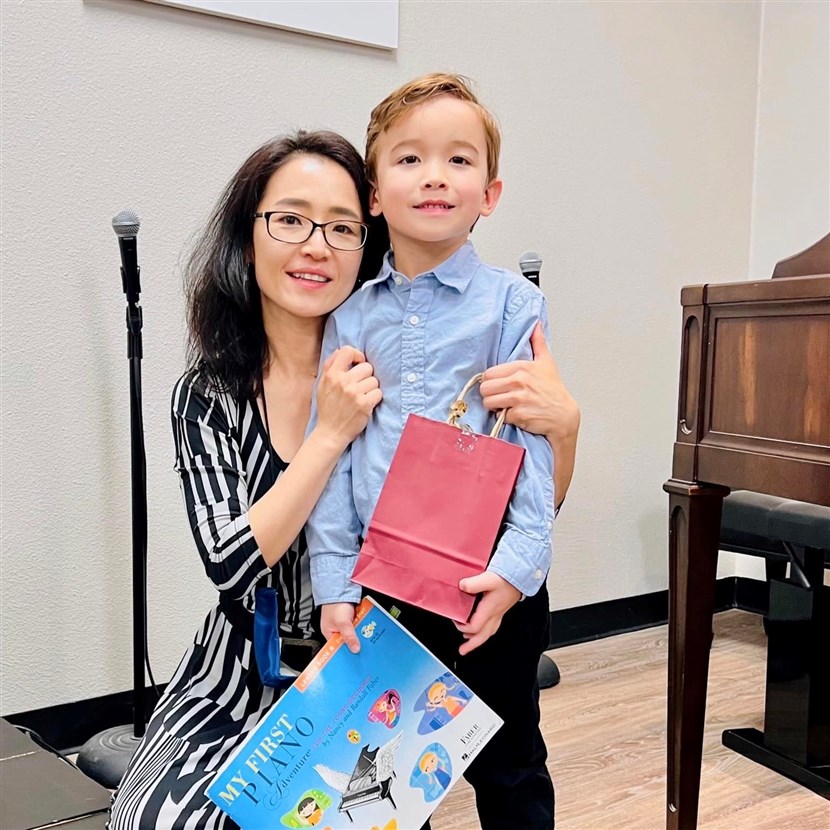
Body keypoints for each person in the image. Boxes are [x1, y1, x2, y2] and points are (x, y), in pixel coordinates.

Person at [108, 125, 578, 828]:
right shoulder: (209, 394)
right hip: (241, 675)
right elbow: (233, 566)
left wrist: (565, 430)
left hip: (374, 660)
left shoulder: (413, 364)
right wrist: (329, 434)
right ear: (249, 235)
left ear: (370, 240)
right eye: (290, 220)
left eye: (340, 227)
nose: (316, 246)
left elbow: (510, 510)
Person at [305, 74, 560, 829]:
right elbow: (339, 455)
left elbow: (533, 443)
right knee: (378, 766)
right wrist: (334, 581)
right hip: (384, 582)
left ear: (492, 191)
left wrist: (517, 571)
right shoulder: (349, 317)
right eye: (409, 159)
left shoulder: (516, 305)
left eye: (459, 160)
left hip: (492, 587)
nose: (435, 177)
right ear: (375, 194)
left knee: (510, 761)